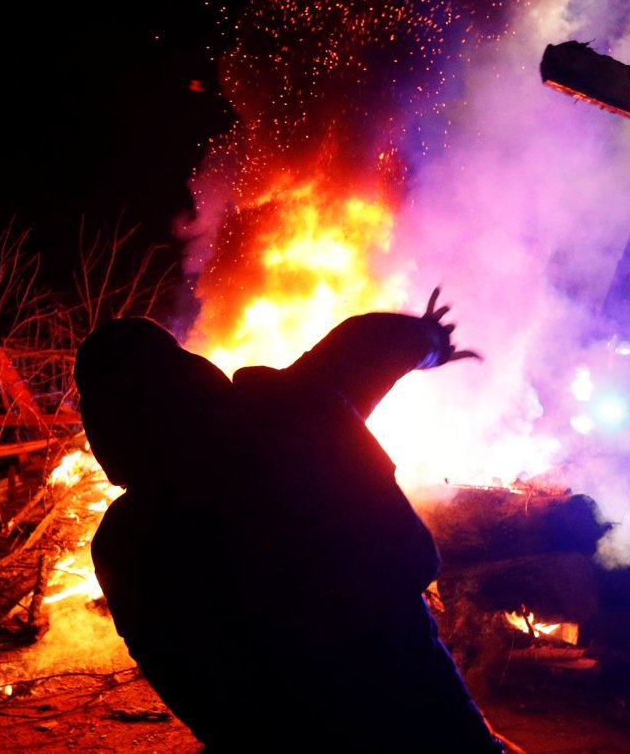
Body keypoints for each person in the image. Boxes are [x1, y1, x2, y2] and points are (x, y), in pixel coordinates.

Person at [73, 289, 511, 752]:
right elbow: (364, 346)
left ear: (104, 424)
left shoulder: (125, 540)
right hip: (399, 656)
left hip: (278, 723)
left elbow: (179, 667)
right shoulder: (286, 408)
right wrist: (428, 339)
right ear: (188, 369)